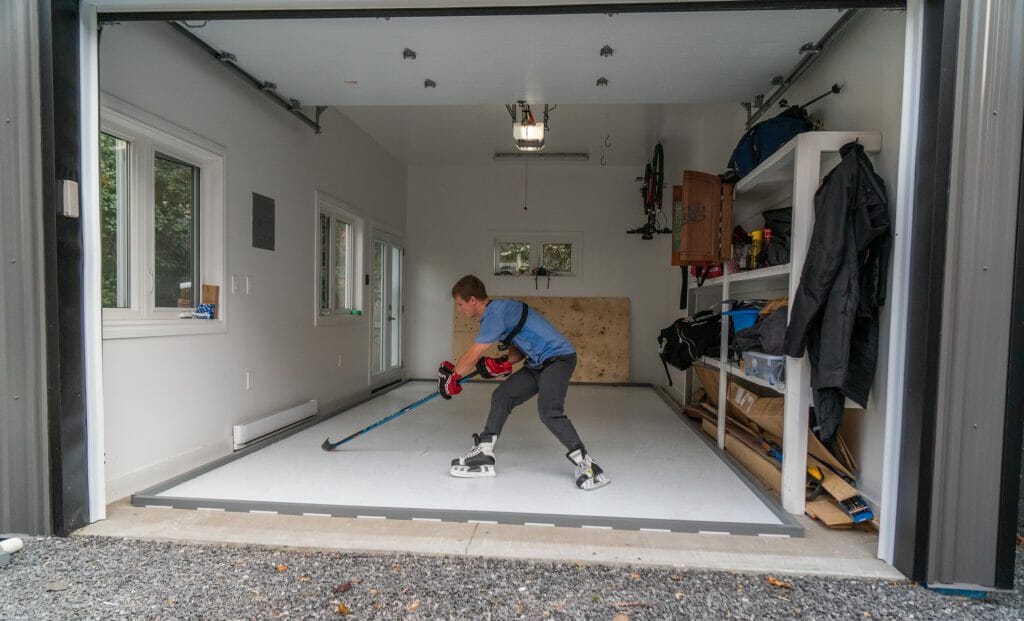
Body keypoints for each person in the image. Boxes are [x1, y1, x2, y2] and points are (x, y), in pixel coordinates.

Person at [437, 275, 610, 491]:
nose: (460, 310)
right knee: (502, 395)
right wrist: (503, 362)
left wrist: (453, 376)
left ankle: (587, 463)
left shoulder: (493, 315)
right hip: (538, 363)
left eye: (461, 304)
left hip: (558, 360)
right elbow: (519, 346)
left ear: (473, 300)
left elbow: (473, 354)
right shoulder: (500, 310)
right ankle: (485, 450)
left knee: (549, 411)